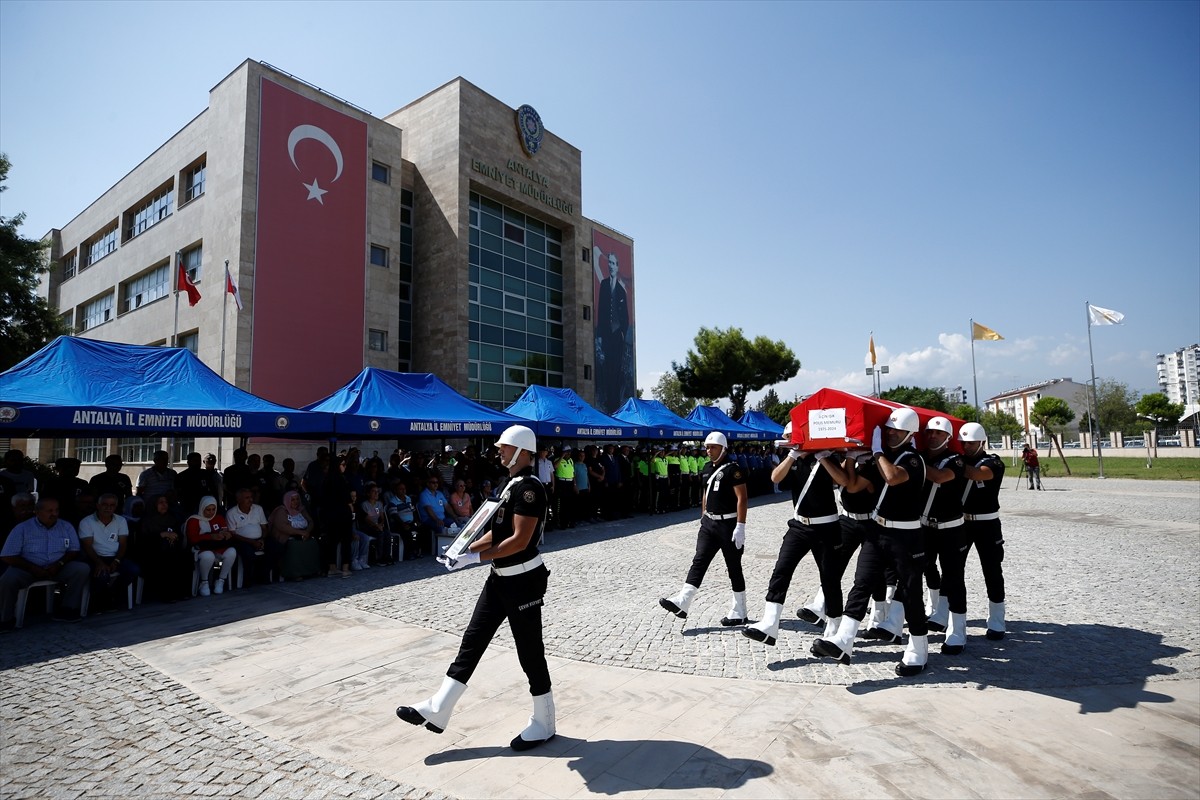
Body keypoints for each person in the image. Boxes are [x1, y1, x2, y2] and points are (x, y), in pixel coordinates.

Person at [396, 424, 554, 750]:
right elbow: (496, 532)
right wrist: (464, 550)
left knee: (529, 651)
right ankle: (439, 708)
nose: (500, 452)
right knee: (473, 639)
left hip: (523, 580)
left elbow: (519, 539)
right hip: (501, 578)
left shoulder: (529, 489)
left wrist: (476, 558)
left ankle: (544, 721)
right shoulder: (508, 484)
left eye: (505, 448)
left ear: (523, 452)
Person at [812, 408, 930, 677]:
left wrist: (877, 453)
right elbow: (851, 486)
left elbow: (892, 477)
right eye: (888, 429)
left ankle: (918, 649)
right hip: (878, 532)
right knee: (861, 583)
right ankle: (844, 640)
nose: (890, 433)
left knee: (911, 592)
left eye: (896, 430)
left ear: (910, 434)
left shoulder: (913, 459)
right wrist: (852, 458)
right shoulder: (884, 459)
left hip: (907, 535)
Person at [744, 445, 847, 647]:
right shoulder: (794, 459)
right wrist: (792, 456)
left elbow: (842, 481)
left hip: (826, 526)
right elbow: (775, 477)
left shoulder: (828, 458)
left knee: (829, 578)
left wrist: (824, 457)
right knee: (781, 569)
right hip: (799, 525)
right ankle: (770, 623)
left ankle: (834, 627)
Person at [659, 431, 749, 626]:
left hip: (728, 524)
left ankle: (740, 610)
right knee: (699, 561)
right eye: (707, 447)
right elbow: (705, 494)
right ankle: (683, 601)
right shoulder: (707, 467)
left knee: (733, 567)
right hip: (709, 524)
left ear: (723, 448)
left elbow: (742, 498)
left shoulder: (734, 470)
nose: (708, 451)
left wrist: (740, 526)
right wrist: (703, 517)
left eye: (713, 447)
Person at [916, 417, 969, 654]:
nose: (932, 436)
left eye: (938, 433)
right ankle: (936, 613)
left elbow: (939, 477)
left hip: (951, 528)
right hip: (925, 527)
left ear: (948, 437)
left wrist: (914, 463)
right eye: (929, 432)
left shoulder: (956, 460)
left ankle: (958, 632)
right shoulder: (920, 456)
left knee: (954, 579)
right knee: (922, 570)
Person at [0, 497, 91, 627]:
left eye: (56, 510)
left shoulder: (66, 526)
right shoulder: (22, 528)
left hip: (57, 567)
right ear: (37, 512)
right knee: (8, 579)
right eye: (49, 511)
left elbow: (74, 550)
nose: (54, 514)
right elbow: (7, 555)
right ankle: (5, 618)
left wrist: (59, 564)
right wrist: (32, 568)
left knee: (81, 569)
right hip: (28, 568)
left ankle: (67, 609)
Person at [960, 422, 1008, 641]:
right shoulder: (958, 459)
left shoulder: (993, 463)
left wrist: (954, 463)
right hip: (962, 523)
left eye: (971, 443)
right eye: (963, 443)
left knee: (992, 571)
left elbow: (977, 475)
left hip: (987, 524)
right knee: (954, 569)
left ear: (982, 442)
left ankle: (997, 621)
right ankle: (951, 617)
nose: (967, 447)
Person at [78, 493, 139, 612]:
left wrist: (117, 560)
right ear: (98, 505)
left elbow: (123, 544)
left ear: (115, 507)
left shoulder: (120, 520)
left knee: (133, 570)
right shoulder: (86, 522)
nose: (108, 508)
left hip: (115, 557)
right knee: (102, 575)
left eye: (112, 505)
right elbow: (88, 547)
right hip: (94, 557)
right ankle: (96, 602)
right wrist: (99, 563)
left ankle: (113, 595)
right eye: (104, 504)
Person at [137, 495, 194, 602]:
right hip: (152, 555)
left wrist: (175, 537)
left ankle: (183, 592)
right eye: (160, 502)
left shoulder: (171, 518)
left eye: (166, 502)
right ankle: (168, 595)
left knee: (186, 557)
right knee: (166, 560)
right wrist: (161, 535)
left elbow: (179, 534)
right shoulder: (146, 521)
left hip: (171, 550)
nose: (164, 505)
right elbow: (143, 541)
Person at [593, 246, 630, 410]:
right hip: (607, 334)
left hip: (617, 336)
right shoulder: (604, 284)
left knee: (617, 369)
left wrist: (623, 333)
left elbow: (626, 317)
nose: (611, 266)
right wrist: (599, 336)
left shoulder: (622, 290)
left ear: (617, 266)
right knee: (606, 368)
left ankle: (615, 402)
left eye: (614, 263)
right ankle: (609, 400)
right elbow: (600, 310)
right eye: (609, 262)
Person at [185, 496, 236, 596]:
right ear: (202, 508)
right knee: (208, 556)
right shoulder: (194, 520)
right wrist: (210, 536)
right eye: (208, 510)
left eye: (213, 509)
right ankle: (204, 582)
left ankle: (221, 580)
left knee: (232, 552)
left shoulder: (219, 518)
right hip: (201, 549)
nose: (211, 512)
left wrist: (226, 534)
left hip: (218, 547)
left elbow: (225, 530)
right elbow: (192, 538)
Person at [267, 490, 321, 580]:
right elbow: (283, 527)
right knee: (295, 546)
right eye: (293, 500)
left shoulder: (301, 509)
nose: (296, 502)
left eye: (297, 499)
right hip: (286, 537)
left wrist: (307, 532)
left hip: (302, 535)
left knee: (313, 543)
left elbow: (310, 521)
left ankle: (311, 571)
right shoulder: (281, 510)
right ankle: (294, 574)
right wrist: (301, 533)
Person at [320, 456, 354, 578]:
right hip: (342, 514)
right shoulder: (341, 480)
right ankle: (345, 568)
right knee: (346, 540)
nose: (344, 467)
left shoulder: (326, 480)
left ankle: (332, 568)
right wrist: (352, 511)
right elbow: (347, 500)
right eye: (343, 464)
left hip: (330, 514)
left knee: (332, 541)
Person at [226, 488, 269, 585]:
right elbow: (233, 534)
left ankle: (264, 577)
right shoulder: (231, 513)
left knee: (275, 547)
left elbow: (265, 528)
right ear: (239, 500)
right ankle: (248, 581)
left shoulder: (258, 509)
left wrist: (262, 539)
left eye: (251, 497)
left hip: (259, 539)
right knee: (248, 553)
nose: (251, 500)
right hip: (242, 541)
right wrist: (252, 542)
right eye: (247, 498)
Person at [383, 479, 422, 560]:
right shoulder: (393, 502)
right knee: (407, 532)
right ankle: (408, 553)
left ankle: (417, 551)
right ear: (396, 490)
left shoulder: (408, 499)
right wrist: (403, 524)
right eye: (401, 489)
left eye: (404, 489)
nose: (403, 491)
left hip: (410, 522)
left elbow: (413, 511)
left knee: (422, 529)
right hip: (398, 524)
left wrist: (416, 521)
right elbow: (394, 515)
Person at [353, 482, 386, 569]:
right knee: (379, 534)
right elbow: (367, 520)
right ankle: (379, 558)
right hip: (367, 527)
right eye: (373, 491)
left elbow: (382, 517)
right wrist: (376, 526)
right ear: (368, 493)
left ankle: (386, 556)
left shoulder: (379, 504)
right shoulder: (364, 505)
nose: (376, 493)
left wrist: (381, 524)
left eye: (377, 491)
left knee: (387, 533)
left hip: (377, 526)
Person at [176, 453, 220, 517]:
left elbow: (214, 490)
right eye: (194, 461)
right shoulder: (181, 476)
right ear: (188, 462)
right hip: (188, 508)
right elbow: (178, 494)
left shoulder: (206, 474)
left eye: (199, 461)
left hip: (206, 506)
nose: (197, 463)